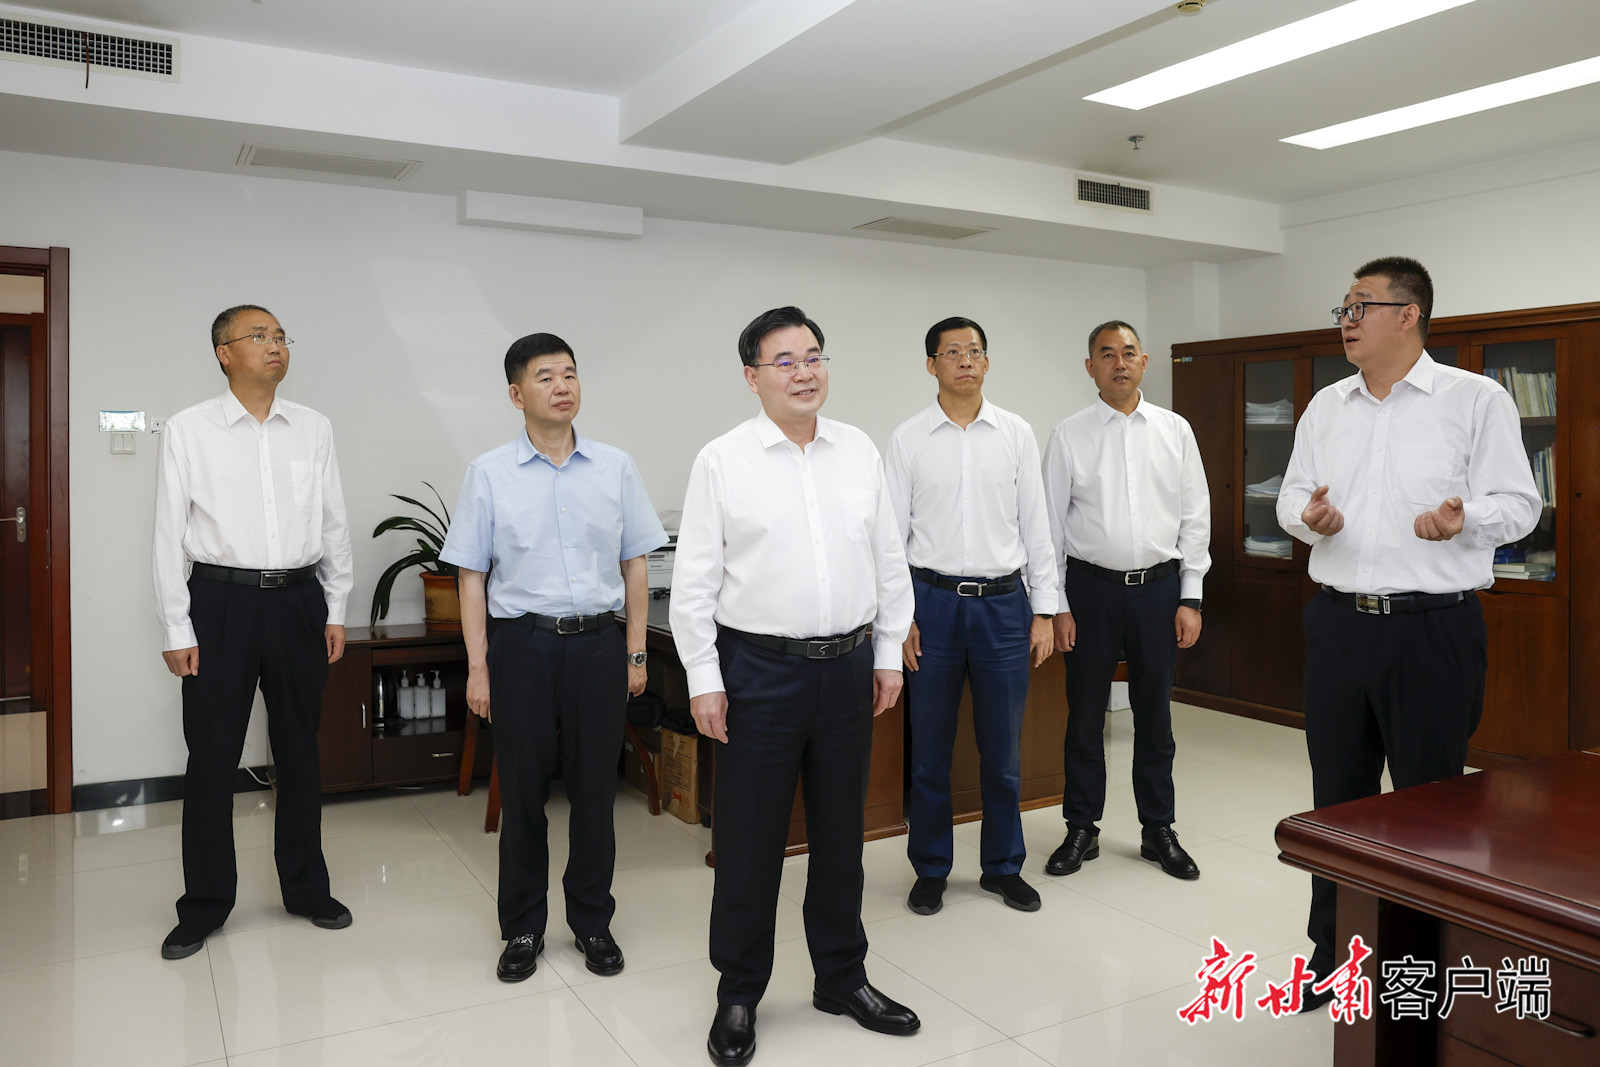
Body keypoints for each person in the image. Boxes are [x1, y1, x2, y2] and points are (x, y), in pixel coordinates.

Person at [1277, 257, 1540, 1009]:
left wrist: (1467, 519)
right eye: (1343, 307)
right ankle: (1333, 957)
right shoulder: (1326, 405)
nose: (1346, 320)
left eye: (1360, 305)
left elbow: (1520, 505)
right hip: (1339, 627)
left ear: (1408, 314)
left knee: (1431, 807)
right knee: (1338, 802)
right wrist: (1309, 519)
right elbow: (1291, 498)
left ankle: (1416, 967)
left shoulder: (1475, 399)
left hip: (1433, 630)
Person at [671, 307, 919, 1066]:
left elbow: (887, 560)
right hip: (758, 672)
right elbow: (695, 581)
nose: (804, 371)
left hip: (847, 668)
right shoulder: (723, 460)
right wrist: (705, 677)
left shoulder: (858, 450)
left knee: (842, 837)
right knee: (749, 842)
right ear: (752, 377)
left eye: (813, 356)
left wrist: (886, 653)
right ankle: (739, 991)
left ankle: (842, 977)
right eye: (784, 361)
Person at [439, 333, 665, 984]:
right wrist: (479, 667)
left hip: (597, 646)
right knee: (523, 793)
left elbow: (636, 566)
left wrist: (636, 653)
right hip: (522, 647)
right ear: (517, 394)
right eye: (545, 376)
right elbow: (471, 577)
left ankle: (592, 920)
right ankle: (522, 927)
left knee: (596, 794)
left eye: (569, 373)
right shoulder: (488, 473)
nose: (562, 386)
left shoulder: (616, 467)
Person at [153, 304, 355, 959]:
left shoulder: (314, 427)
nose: (275, 346)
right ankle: (204, 904)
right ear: (224, 352)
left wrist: (335, 606)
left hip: (299, 601)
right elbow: (167, 534)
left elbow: (332, 522)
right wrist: (176, 624)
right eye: (259, 336)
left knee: (300, 750)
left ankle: (306, 888)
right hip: (220, 603)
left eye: (280, 337)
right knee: (212, 757)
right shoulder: (189, 429)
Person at [886, 316, 1056, 917]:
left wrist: (1044, 610)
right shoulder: (908, 439)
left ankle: (1003, 866)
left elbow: (1037, 525)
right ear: (931, 364)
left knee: (1002, 753)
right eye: (953, 352)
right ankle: (931, 868)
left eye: (975, 351)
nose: (966, 360)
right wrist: (898, 618)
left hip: (1004, 606)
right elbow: (890, 537)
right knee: (929, 753)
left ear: (987, 362)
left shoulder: (1015, 433)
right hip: (929, 604)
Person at [1041, 320, 1211, 883]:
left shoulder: (1175, 430)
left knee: (1155, 715)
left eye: (1129, 353)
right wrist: (1057, 605)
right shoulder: (1069, 435)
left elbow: (1195, 516)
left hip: (1160, 591)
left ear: (1144, 362)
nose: (1119, 362)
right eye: (1107, 354)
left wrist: (1191, 595)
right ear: (1090, 366)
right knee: (1085, 715)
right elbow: (1049, 526)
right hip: (1090, 591)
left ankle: (1157, 828)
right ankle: (1081, 828)